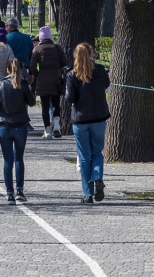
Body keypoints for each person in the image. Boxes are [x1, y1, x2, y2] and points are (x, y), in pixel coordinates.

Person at [65, 43, 110, 204]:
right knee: (97, 152)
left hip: (81, 119)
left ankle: (87, 193)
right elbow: (106, 84)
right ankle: (97, 177)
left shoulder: (72, 74)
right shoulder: (100, 70)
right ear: (91, 54)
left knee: (84, 157)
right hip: (99, 117)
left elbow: (70, 98)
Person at [0, 59, 35, 205]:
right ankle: (20, 190)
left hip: (4, 126)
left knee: (8, 160)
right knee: (19, 158)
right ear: (21, 70)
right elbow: (32, 102)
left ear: (7, 70)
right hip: (21, 125)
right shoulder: (23, 84)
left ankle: (9, 193)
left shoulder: (0, 84)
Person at [30, 26, 68, 139]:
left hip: (43, 79)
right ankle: (56, 125)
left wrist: (37, 75)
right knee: (56, 104)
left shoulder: (37, 49)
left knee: (45, 106)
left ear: (41, 38)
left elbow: (32, 67)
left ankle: (47, 130)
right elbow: (65, 62)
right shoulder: (57, 48)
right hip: (56, 79)